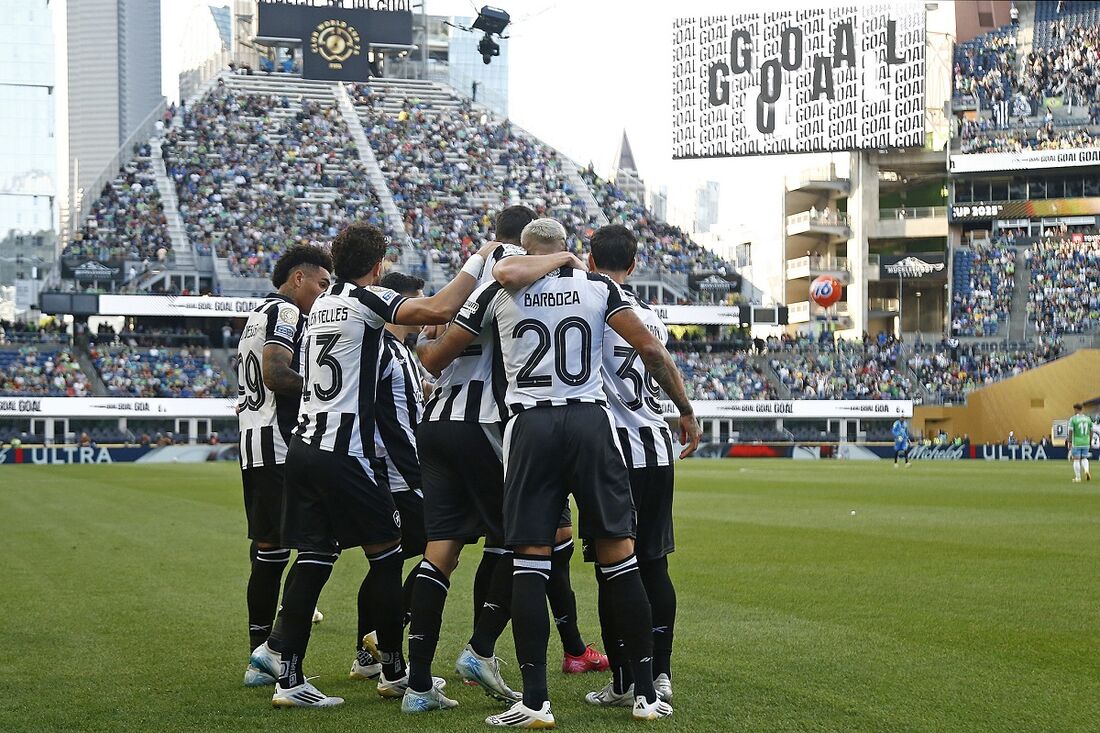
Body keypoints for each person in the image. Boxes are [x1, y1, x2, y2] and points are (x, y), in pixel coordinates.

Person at [423, 218, 701, 726]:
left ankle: (535, 702)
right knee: (622, 556)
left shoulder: (497, 290)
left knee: (531, 560)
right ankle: (645, 693)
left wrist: (426, 340)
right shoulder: (596, 286)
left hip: (531, 426)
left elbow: (436, 359)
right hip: (591, 424)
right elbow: (651, 350)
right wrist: (684, 408)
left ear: (523, 250)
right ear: (564, 249)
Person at [262, 223, 496, 709]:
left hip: (304, 445)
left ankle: (289, 677)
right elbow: (440, 309)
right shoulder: (364, 299)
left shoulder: (320, 304)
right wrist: (480, 259)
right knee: (388, 557)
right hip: (343, 452)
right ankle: (394, 670)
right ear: (376, 267)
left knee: (314, 558)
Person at [402, 206, 591, 714]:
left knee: (441, 550)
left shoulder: (468, 275)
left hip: (437, 421)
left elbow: (430, 350)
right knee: (532, 538)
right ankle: (481, 649)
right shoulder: (515, 275)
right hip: (486, 422)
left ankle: (418, 686)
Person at [583, 224, 680, 708]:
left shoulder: (591, 306)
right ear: (635, 264)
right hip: (657, 447)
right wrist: (686, 411)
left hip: (612, 455)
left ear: (590, 261)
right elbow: (657, 363)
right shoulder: (651, 317)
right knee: (654, 565)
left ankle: (622, 680)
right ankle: (660, 673)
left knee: (612, 569)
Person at [236, 244, 332, 687]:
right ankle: (276, 650)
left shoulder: (258, 313)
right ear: (298, 278)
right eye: (321, 283)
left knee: (269, 552)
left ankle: (260, 655)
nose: (323, 292)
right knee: (318, 545)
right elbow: (275, 374)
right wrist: (324, 388)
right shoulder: (286, 313)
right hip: (279, 443)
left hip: (254, 441)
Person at [349, 271, 431, 682]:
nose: (423, 311)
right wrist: (418, 474)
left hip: (399, 470)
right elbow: (385, 419)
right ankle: (387, 637)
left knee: (389, 560)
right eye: (418, 302)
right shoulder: (384, 350)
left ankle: (367, 655)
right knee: (442, 547)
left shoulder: (401, 352)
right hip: (398, 473)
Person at [1068, 403, 1093, 483]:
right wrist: (1090, 441)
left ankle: (1078, 478)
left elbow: (1070, 431)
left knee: (1076, 460)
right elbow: (1091, 431)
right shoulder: (1088, 419)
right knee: (1084, 458)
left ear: (1076, 409)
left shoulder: (1073, 419)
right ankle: (1086, 470)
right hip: (1086, 442)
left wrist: (1070, 441)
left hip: (1077, 442)